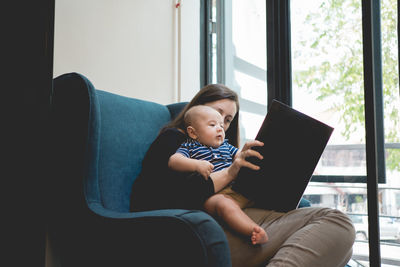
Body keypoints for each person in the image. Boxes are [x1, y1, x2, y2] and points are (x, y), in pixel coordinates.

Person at [130, 83, 355, 266]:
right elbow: (177, 196)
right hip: (201, 231)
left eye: (227, 120)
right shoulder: (175, 140)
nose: (222, 125)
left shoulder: (225, 151)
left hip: (241, 217)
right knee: (337, 225)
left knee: (339, 243)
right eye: (217, 113)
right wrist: (231, 172)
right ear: (197, 111)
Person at [169, 105, 267, 245]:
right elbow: (174, 161)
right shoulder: (189, 146)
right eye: (212, 125)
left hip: (237, 189)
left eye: (222, 124)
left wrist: (248, 154)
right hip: (214, 195)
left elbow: (240, 156)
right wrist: (196, 164)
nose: (220, 128)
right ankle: (253, 231)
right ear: (193, 133)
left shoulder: (226, 146)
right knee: (224, 204)